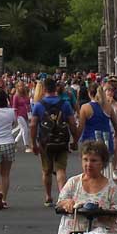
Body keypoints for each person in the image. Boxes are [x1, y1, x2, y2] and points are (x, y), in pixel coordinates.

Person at [31, 77, 78, 207]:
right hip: (62, 141)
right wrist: (75, 140)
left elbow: (33, 125)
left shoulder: (39, 105)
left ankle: (48, 196)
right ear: (55, 88)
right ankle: (62, 197)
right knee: (61, 169)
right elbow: (72, 123)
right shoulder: (65, 104)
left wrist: (33, 143)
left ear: (44, 89)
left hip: (45, 142)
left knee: (46, 170)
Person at [78, 82, 115, 178]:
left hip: (90, 141)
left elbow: (81, 127)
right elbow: (115, 124)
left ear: (89, 93)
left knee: (89, 169)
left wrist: (75, 140)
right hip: (106, 140)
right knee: (105, 169)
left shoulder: (85, 108)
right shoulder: (108, 106)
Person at [12, 82, 32, 152]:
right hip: (19, 115)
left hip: (26, 114)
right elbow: (14, 108)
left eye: (23, 86)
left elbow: (29, 105)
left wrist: (30, 115)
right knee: (25, 129)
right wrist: (15, 117)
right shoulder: (16, 96)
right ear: (17, 87)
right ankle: (26, 146)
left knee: (22, 130)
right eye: (20, 86)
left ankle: (14, 142)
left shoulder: (26, 96)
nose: (22, 87)